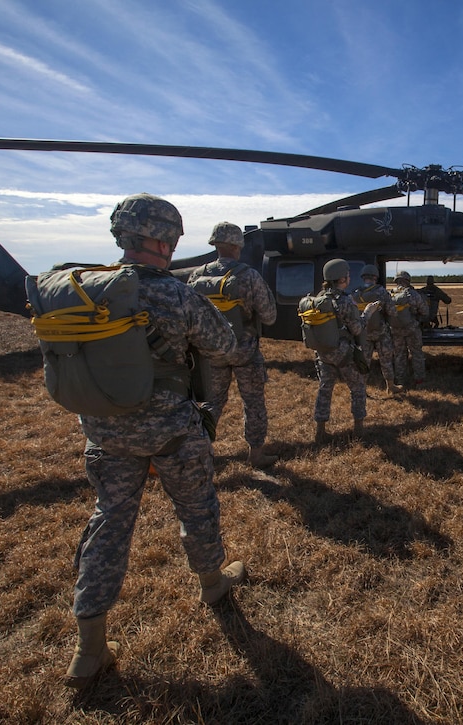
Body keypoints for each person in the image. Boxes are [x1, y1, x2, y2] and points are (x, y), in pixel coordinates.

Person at [63, 194, 244, 689]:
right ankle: (212, 584)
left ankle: (89, 648)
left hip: (105, 434)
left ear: (123, 235)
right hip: (172, 434)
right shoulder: (177, 294)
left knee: (109, 524)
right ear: (168, 241)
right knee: (198, 508)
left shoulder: (88, 289)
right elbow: (225, 345)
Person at [187, 222, 279, 468]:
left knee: (211, 403)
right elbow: (269, 316)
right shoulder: (248, 276)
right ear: (238, 246)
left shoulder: (197, 276)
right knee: (253, 402)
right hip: (244, 351)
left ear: (215, 245)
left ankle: (198, 452)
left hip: (212, 352)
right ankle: (256, 454)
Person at [312, 258, 367, 442]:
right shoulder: (345, 301)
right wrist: (367, 314)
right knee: (358, 387)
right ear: (342, 279)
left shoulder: (318, 298)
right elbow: (357, 329)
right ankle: (359, 429)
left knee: (324, 389)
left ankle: (320, 430)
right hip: (344, 354)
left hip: (324, 354)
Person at [353, 265, 404, 396]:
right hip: (381, 332)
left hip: (364, 332)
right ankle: (391, 386)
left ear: (363, 277)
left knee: (364, 361)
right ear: (375, 277)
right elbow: (392, 311)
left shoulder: (355, 292)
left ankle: (361, 389)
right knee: (386, 360)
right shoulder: (381, 292)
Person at [389, 271, 428, 387]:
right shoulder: (413, 294)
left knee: (399, 355)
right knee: (417, 354)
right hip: (412, 329)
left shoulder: (391, 294)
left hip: (396, 330)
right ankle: (419, 381)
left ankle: (400, 381)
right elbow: (425, 311)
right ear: (408, 280)